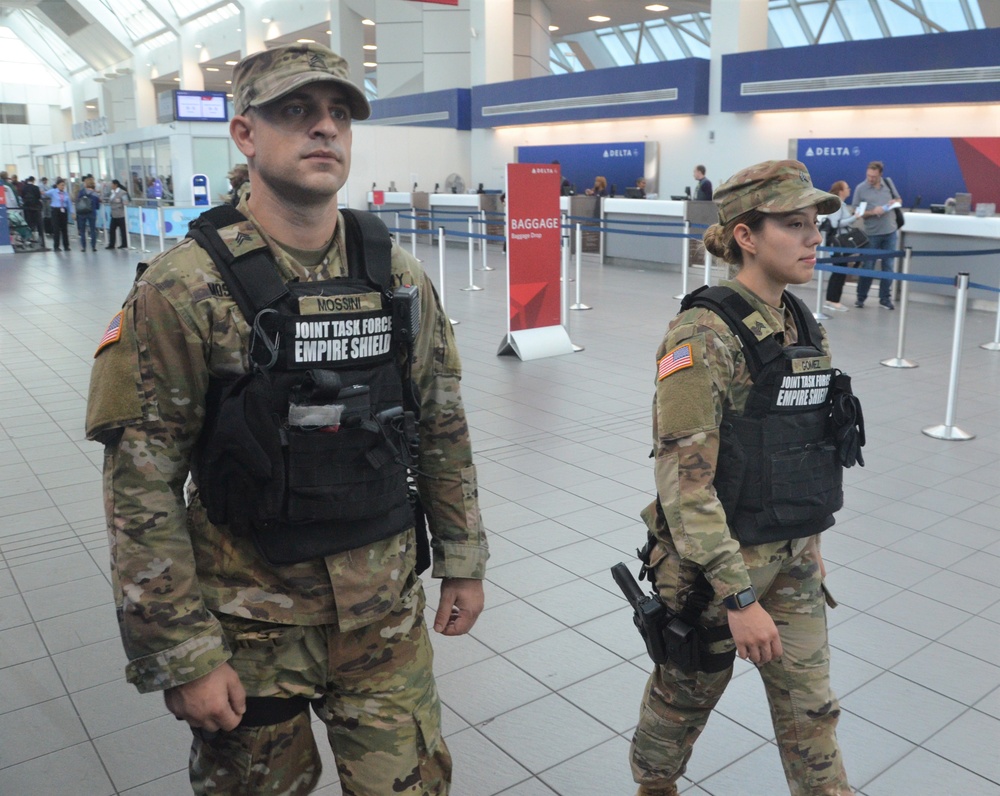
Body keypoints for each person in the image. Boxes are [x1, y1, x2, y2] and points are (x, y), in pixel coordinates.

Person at [85, 42, 487, 795]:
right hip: (250, 628)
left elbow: (440, 421)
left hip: (384, 617)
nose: (324, 130)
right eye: (296, 112)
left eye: (338, 114)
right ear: (245, 134)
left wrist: (464, 556)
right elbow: (140, 488)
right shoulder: (185, 287)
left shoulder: (394, 273)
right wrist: (183, 652)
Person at [629, 160, 859, 796]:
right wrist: (737, 597)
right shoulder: (701, 336)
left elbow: (807, 446)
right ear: (746, 236)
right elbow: (686, 485)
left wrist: (810, 542)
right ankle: (654, 786)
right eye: (793, 224)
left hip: (791, 554)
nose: (814, 237)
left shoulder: (801, 323)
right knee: (682, 704)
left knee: (812, 709)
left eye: (815, 224)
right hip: (714, 572)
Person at [851, 160, 901, 310]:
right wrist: (873, 212)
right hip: (872, 233)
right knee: (868, 266)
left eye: (873, 176)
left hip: (890, 231)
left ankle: (885, 298)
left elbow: (899, 199)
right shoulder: (861, 188)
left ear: (880, 174)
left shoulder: (888, 184)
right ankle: (861, 297)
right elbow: (855, 211)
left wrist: (892, 203)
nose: (870, 178)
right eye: (868, 175)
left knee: (888, 267)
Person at [820, 180, 856, 311]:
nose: (849, 190)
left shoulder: (842, 204)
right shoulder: (838, 204)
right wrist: (854, 217)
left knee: (839, 270)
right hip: (838, 242)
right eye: (847, 188)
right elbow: (835, 223)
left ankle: (833, 299)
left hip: (840, 242)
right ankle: (833, 300)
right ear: (841, 191)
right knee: (839, 271)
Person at [20, 176, 46, 250]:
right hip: (35, 208)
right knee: (39, 224)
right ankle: (41, 240)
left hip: (27, 209)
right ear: (33, 181)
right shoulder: (36, 188)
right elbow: (38, 196)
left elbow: (22, 196)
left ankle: (29, 239)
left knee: (29, 224)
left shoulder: (24, 187)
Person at [45, 178, 71, 252]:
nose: (63, 187)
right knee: (56, 229)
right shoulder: (53, 191)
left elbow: (69, 203)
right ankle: (56, 246)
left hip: (63, 210)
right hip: (55, 210)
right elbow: (45, 193)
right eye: (61, 185)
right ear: (57, 185)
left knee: (64, 229)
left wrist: (72, 212)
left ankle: (66, 246)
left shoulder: (65, 193)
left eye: (63, 185)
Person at [76, 176, 100, 252]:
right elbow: (97, 206)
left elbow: (78, 201)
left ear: (86, 184)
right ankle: (93, 246)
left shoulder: (81, 192)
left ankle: (83, 247)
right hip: (92, 213)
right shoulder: (95, 194)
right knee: (93, 230)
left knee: (82, 231)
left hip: (82, 213)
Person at [105, 179, 130, 249]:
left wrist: (119, 205)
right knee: (112, 229)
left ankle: (124, 243)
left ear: (115, 185)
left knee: (123, 230)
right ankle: (111, 244)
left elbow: (126, 202)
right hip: (113, 214)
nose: (111, 186)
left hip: (121, 214)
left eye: (112, 184)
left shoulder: (122, 193)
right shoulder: (112, 193)